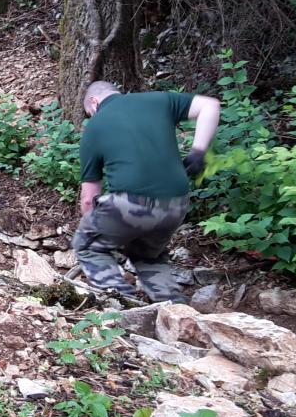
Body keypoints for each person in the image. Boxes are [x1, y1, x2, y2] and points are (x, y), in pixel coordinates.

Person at [72, 81, 221, 303]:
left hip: (129, 203)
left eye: (90, 113)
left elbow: (88, 197)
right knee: (147, 256)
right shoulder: (159, 99)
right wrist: (198, 152)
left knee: (87, 246)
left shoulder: (95, 126)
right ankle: (176, 310)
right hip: (176, 203)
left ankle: (123, 302)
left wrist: (98, 227)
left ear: (94, 102)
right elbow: (210, 105)